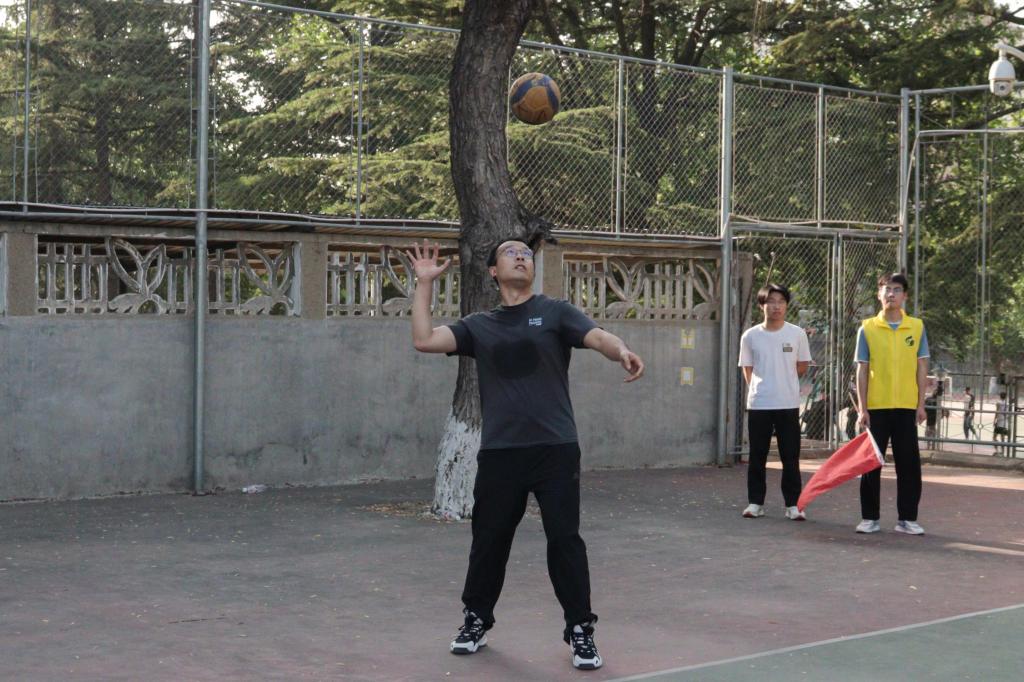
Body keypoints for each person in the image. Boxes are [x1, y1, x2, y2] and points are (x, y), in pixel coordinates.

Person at [408, 239, 644, 671]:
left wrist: (621, 351)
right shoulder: (479, 326)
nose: (521, 256)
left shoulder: (556, 312)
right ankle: (476, 619)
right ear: (493, 272)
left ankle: (580, 630)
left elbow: (598, 337)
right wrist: (424, 284)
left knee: (565, 540)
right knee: (489, 541)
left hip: (555, 449)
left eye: (526, 254)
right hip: (501, 453)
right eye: (510, 252)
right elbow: (424, 340)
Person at [854, 273, 929, 535]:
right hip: (876, 407)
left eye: (897, 290)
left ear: (905, 295)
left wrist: (920, 404)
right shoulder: (867, 328)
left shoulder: (916, 327)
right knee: (871, 464)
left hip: (906, 406)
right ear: (879, 294)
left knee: (909, 465)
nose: (891, 294)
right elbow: (862, 369)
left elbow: (922, 366)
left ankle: (907, 519)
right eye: (886, 289)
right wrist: (862, 408)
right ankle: (869, 518)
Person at [738, 283, 812, 521]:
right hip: (760, 403)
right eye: (770, 301)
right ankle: (755, 503)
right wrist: (762, 388)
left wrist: (783, 382)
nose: (776, 306)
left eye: (780, 301)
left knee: (790, 456)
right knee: (757, 456)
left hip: (788, 403)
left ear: (787, 305)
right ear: (762, 305)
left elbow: (802, 366)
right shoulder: (750, 336)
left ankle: (793, 505)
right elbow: (747, 369)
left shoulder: (797, 334)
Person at [994, 391, 1010, 455]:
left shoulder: (998, 403)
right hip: (1004, 421)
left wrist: (994, 420)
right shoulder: (1007, 403)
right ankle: (1002, 451)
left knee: (994, 437)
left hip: (999, 421)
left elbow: (997, 412)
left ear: (1000, 396)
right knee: (1002, 437)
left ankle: (997, 450)